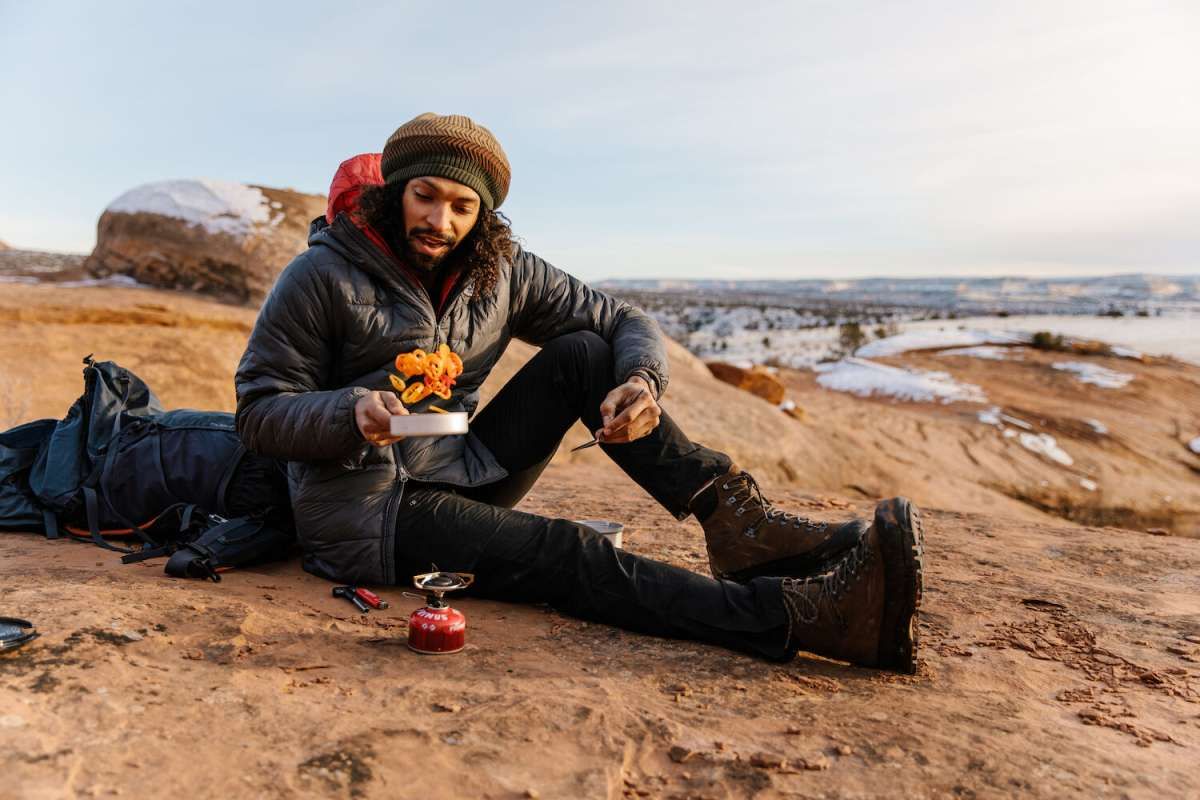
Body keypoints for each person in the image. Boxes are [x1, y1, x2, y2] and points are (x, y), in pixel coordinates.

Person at [234, 113, 923, 672]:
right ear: (395, 190)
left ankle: (735, 522)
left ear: (482, 214)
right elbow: (259, 413)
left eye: (462, 205)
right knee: (568, 555)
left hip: (456, 468)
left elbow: (625, 319)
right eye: (426, 196)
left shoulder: (498, 272)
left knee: (586, 353)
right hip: (366, 510)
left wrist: (640, 382)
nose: (440, 220)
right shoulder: (320, 276)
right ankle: (805, 619)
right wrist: (348, 413)